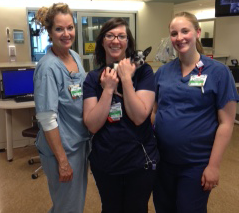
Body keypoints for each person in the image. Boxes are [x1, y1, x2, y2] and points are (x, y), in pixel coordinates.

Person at [152, 12, 239, 213]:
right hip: (162, 161)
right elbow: (154, 111)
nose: (179, 37)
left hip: (195, 164)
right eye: (174, 33)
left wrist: (214, 166)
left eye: (185, 31)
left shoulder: (218, 72)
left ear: (197, 32)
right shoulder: (163, 72)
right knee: (163, 208)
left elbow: (226, 123)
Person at [83, 17, 159, 213]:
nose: (115, 40)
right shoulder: (93, 78)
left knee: (137, 208)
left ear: (128, 43)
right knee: (111, 209)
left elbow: (139, 116)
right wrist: (108, 89)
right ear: (102, 41)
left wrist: (125, 79)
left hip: (139, 161)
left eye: (121, 36)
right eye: (109, 35)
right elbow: (92, 124)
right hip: (106, 162)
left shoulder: (144, 73)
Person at [33, 3, 90, 213]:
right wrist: (63, 161)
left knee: (70, 203)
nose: (66, 34)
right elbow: (47, 119)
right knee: (68, 207)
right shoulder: (48, 68)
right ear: (49, 32)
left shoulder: (73, 56)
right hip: (62, 149)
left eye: (70, 27)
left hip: (78, 143)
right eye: (59, 29)